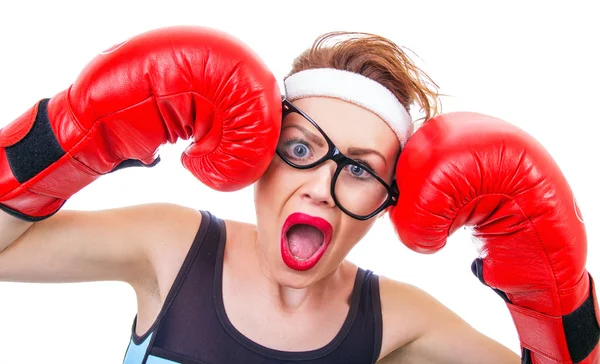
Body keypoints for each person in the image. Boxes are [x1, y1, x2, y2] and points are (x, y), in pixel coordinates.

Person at [0, 25, 597, 364]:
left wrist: (556, 291)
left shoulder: (395, 319)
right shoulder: (173, 246)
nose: (320, 190)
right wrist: (72, 133)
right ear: (258, 152)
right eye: (303, 150)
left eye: (360, 171)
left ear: (390, 202)